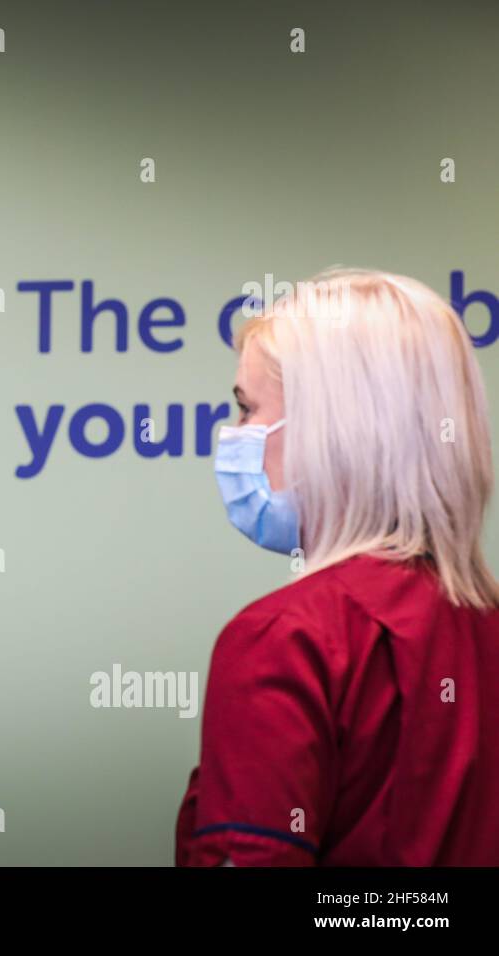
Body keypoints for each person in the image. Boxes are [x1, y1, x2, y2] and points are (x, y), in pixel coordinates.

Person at [178, 268, 499, 866]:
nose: (235, 436)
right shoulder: (483, 625)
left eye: (248, 410)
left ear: (332, 430)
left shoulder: (285, 639)